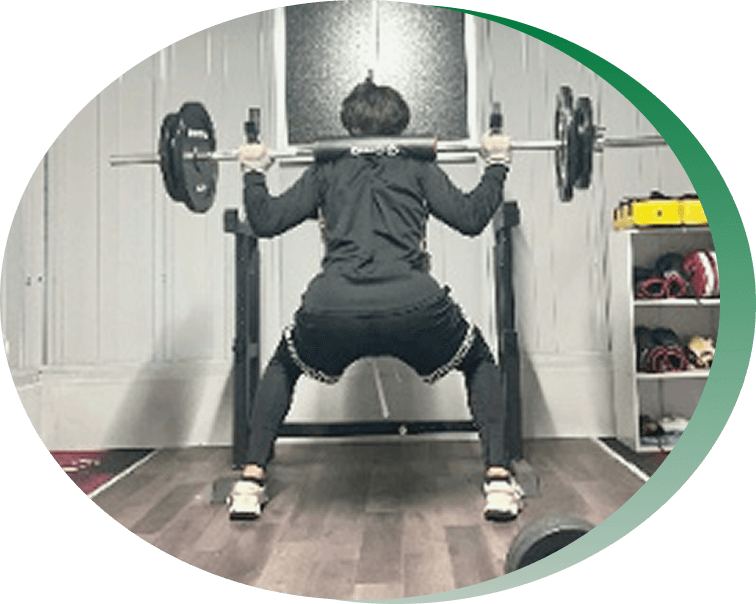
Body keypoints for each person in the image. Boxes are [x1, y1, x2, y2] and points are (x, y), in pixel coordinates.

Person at [228, 78, 523, 521]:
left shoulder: (326, 169)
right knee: (478, 359)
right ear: (400, 124)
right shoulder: (418, 165)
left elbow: (266, 221)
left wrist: (253, 172)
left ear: (349, 125)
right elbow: (470, 217)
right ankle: (498, 480)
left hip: (332, 308)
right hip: (414, 306)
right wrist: (496, 163)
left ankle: (250, 482)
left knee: (284, 364)